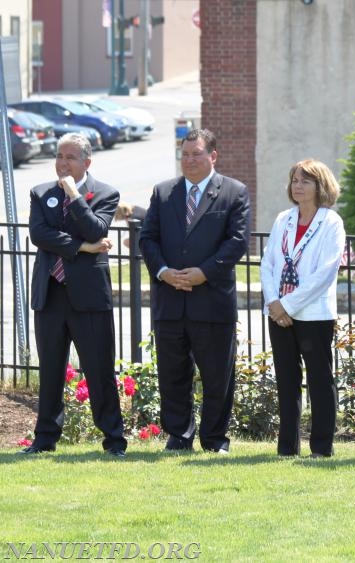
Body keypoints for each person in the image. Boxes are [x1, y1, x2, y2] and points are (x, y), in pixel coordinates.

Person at [140, 129, 251, 454]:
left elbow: (237, 242)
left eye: (197, 154)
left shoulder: (234, 192)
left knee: (217, 377)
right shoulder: (163, 193)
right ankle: (179, 437)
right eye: (185, 154)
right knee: (172, 375)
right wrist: (163, 272)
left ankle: (215, 440)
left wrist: (204, 273)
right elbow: (148, 238)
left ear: (213, 156)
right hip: (170, 301)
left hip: (212, 302)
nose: (189, 160)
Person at [21, 133, 127, 457]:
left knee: (99, 369)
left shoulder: (106, 193)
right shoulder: (41, 193)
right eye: (59, 156)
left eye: (69, 157)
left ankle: (113, 440)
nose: (62, 163)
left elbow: (97, 228)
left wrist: (73, 194)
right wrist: (81, 247)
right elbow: (39, 235)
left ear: (87, 162)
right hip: (50, 295)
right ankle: (44, 440)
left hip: (89, 298)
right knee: (51, 371)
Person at [260, 159, 345, 458]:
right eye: (295, 179)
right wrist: (274, 303)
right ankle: (287, 448)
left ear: (320, 186)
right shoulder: (283, 218)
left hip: (314, 315)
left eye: (305, 181)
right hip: (278, 314)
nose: (297, 185)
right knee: (286, 379)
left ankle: (321, 448)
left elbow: (325, 273)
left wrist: (287, 304)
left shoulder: (331, 222)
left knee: (320, 380)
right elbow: (268, 263)